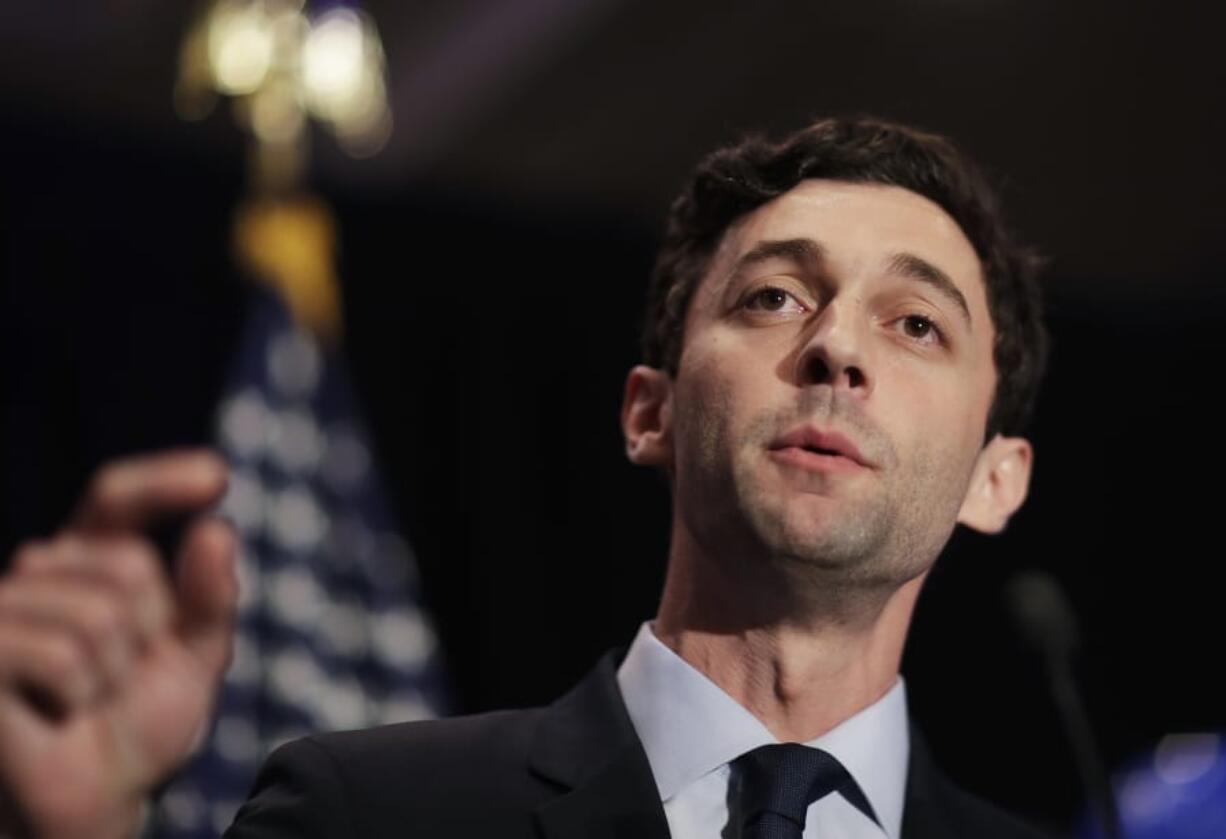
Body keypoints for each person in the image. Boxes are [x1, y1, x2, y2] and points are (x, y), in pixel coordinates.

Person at [0, 115, 1050, 839]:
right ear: (650, 412)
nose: (834, 348)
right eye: (773, 297)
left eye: (914, 323)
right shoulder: (370, 813)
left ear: (993, 478)